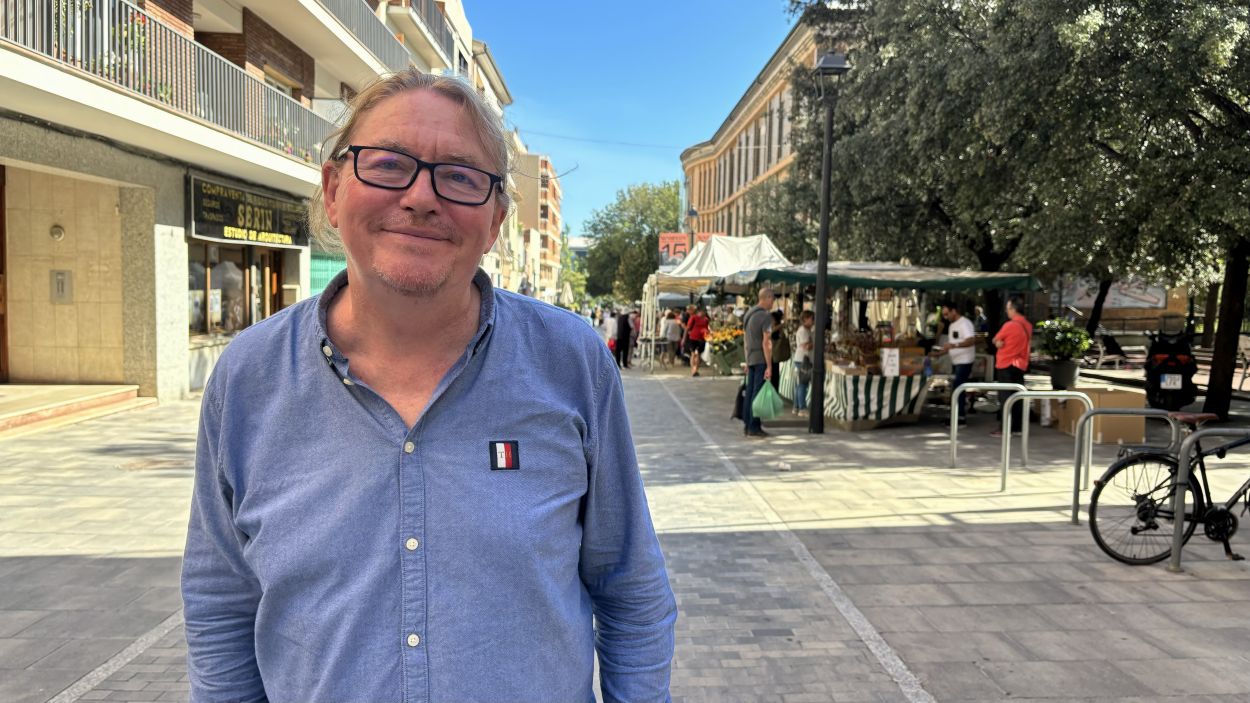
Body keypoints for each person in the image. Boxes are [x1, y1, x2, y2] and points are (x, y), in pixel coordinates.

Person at [181, 69, 676, 703]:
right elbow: (221, 604)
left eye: (461, 176)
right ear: (333, 189)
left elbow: (631, 588)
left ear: (495, 219)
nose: (420, 197)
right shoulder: (249, 379)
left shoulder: (570, 362)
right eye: (388, 164)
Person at [991, 295, 1033, 437]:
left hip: (1006, 365)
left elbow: (996, 339)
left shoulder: (1009, 325)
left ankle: (1004, 428)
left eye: (1008, 309)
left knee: (1005, 398)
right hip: (1020, 365)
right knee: (1017, 397)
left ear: (1013, 309)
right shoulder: (1027, 325)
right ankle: (1016, 428)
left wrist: (998, 344)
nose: (1007, 311)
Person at [932, 300, 977, 425]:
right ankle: (956, 414)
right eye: (944, 315)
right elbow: (951, 346)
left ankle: (960, 417)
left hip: (965, 361)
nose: (945, 317)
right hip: (956, 361)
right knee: (955, 388)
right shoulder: (952, 325)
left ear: (954, 311)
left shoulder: (965, 323)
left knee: (959, 387)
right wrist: (939, 353)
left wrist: (955, 345)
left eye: (947, 314)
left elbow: (971, 340)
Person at [741, 288, 775, 437]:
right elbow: (766, 342)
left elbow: (745, 340)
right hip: (761, 359)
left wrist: (747, 360)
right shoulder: (766, 317)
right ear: (766, 298)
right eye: (772, 299)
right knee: (757, 393)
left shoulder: (748, 314)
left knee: (749, 393)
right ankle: (754, 426)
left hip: (751, 358)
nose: (773, 303)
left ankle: (747, 425)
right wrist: (769, 365)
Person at [793, 310, 815, 416]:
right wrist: (815, 343)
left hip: (802, 359)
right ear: (805, 319)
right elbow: (806, 346)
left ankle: (796, 407)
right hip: (803, 360)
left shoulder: (807, 330)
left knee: (800, 384)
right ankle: (802, 408)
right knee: (802, 384)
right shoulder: (803, 331)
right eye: (811, 318)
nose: (813, 321)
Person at [685, 306, 710, 377]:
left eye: (704, 312)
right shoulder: (694, 317)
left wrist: (708, 337)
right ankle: (693, 370)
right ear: (698, 312)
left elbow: (706, 329)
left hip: (702, 338)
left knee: (698, 354)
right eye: (702, 311)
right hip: (693, 337)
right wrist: (684, 338)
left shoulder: (706, 319)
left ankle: (696, 369)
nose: (703, 313)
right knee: (693, 354)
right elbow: (688, 327)